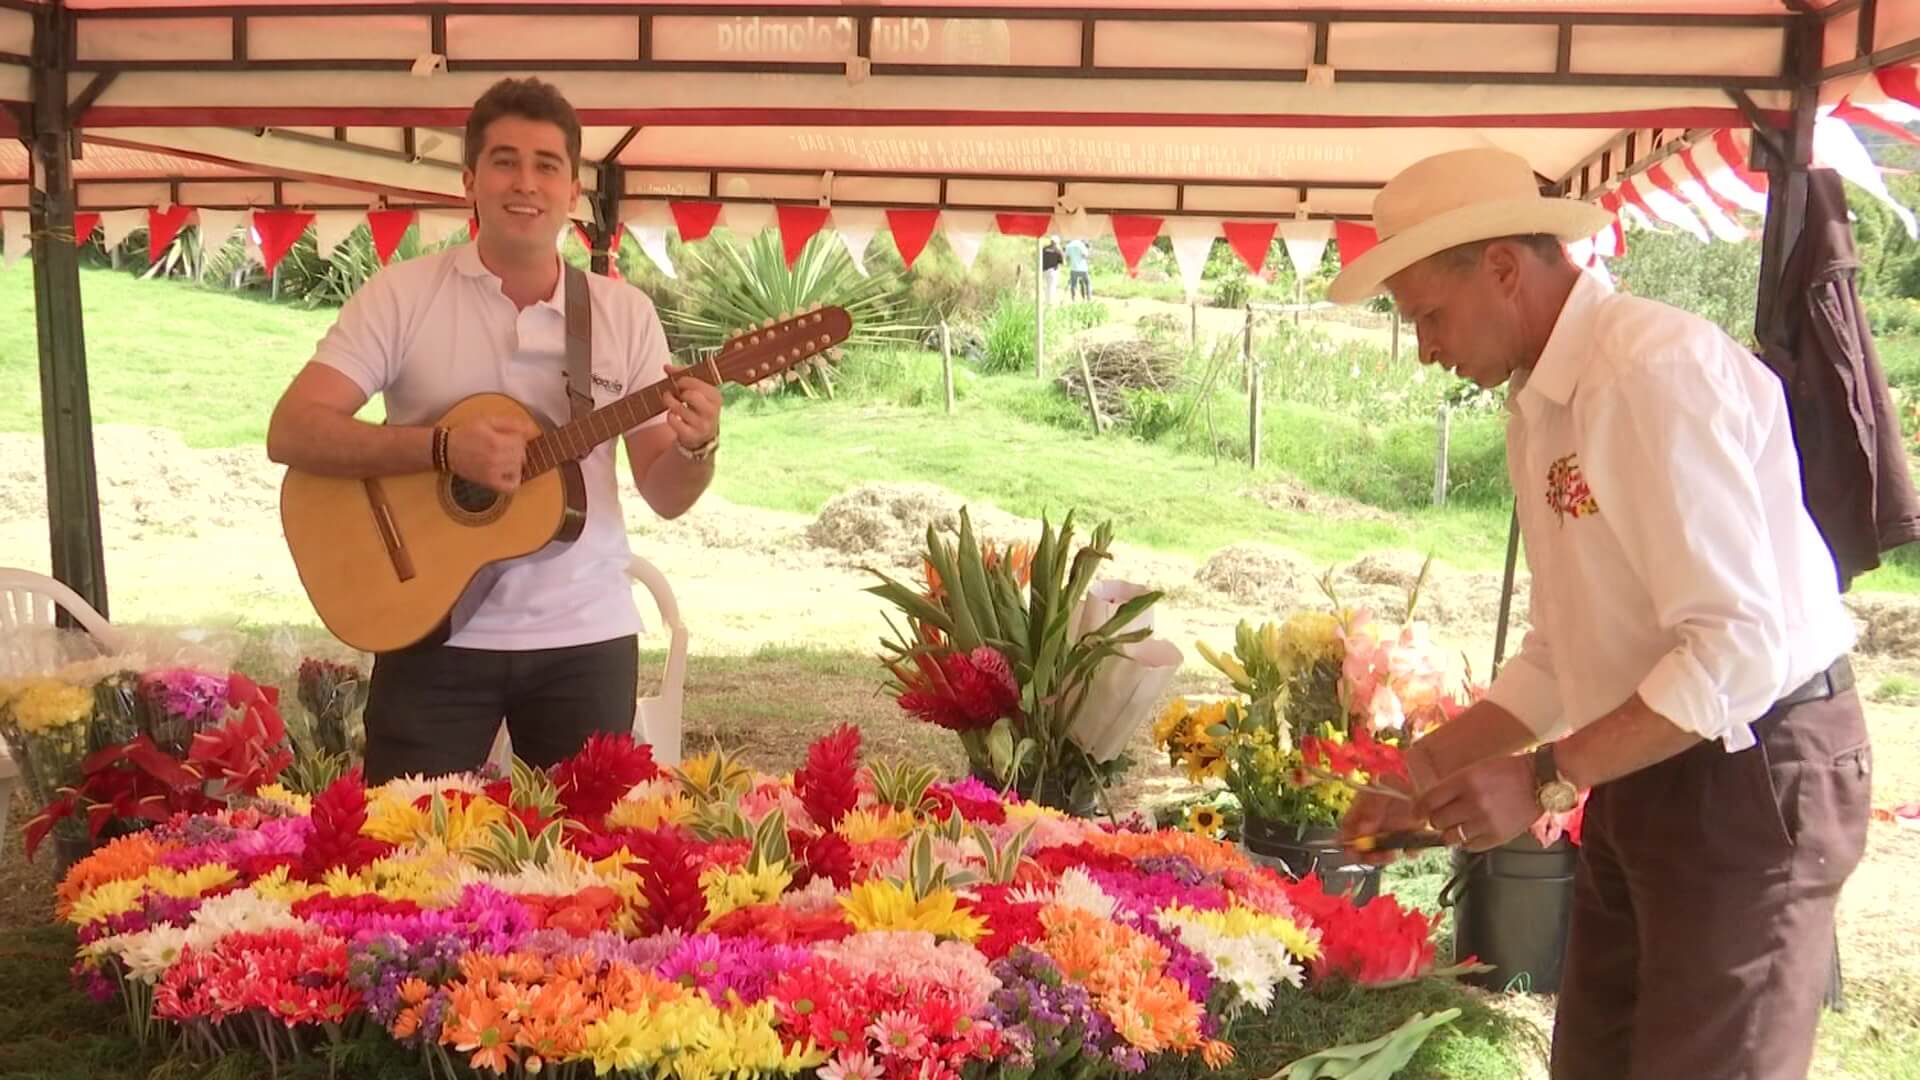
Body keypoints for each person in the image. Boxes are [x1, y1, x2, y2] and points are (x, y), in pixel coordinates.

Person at [1328, 148, 1868, 1080]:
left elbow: (1737, 651)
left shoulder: (1648, 371)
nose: (1424, 348)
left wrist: (1545, 778)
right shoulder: (1541, 407)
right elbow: (1559, 652)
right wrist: (1423, 770)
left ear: (1502, 266)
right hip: (1649, 760)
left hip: (1755, 770)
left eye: (1428, 316)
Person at [265, 77, 724, 784]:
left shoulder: (623, 313)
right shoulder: (402, 295)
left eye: (548, 165)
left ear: (573, 191)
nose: (526, 182)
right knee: (404, 858)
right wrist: (442, 448)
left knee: (592, 862)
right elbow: (292, 431)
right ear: (470, 180)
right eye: (505, 160)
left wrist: (697, 445)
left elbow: (665, 491)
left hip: (586, 634)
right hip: (426, 624)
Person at [1064, 236, 1091, 301]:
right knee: (1087, 283)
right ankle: (1088, 299)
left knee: (1073, 285)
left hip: (1073, 268)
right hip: (1083, 268)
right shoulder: (1081, 245)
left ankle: (1073, 299)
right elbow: (1085, 255)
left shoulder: (1069, 245)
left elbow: (1067, 257)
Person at [1041, 236, 1063, 304]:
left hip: (1044, 270)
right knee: (1051, 286)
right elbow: (1062, 262)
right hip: (1052, 271)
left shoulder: (1044, 249)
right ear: (1056, 243)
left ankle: (1044, 300)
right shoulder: (1057, 250)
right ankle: (1049, 301)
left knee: (1045, 286)